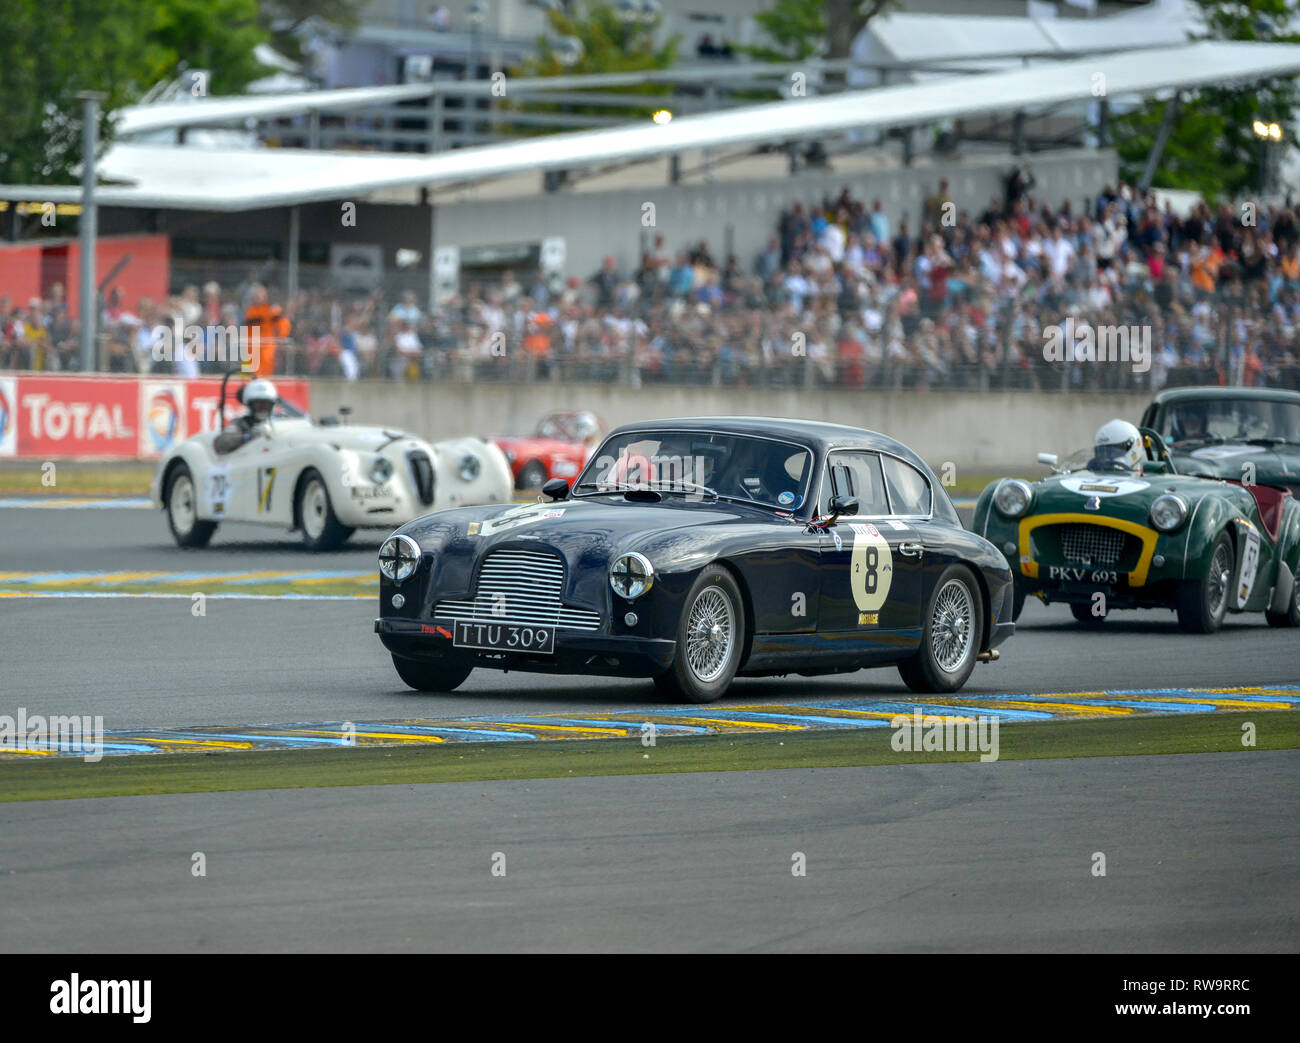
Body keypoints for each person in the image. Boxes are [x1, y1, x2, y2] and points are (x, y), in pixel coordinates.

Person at [214, 379, 277, 454]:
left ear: (272, 405)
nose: (263, 408)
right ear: (250, 405)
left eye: (267, 404)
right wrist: (249, 436)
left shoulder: (278, 423)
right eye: (259, 404)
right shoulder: (240, 424)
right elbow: (222, 443)